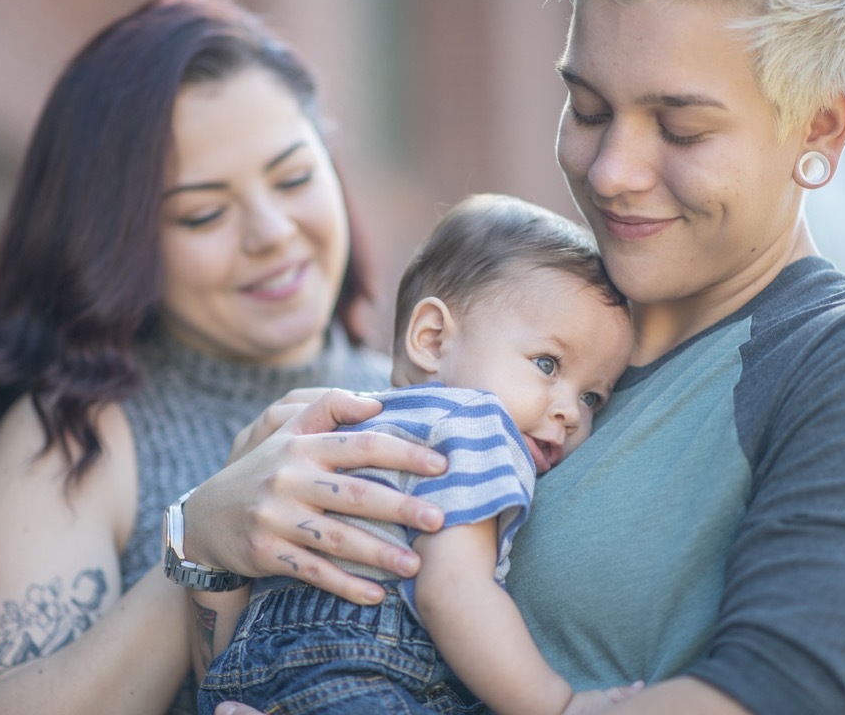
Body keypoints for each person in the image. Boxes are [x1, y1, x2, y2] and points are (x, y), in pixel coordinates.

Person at [171, 0, 845, 714]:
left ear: (820, 124)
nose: (612, 172)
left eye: (681, 128)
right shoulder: (489, 344)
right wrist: (207, 546)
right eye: (586, 108)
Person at [0, 0, 411, 715]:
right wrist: (202, 548)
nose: (271, 232)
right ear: (119, 246)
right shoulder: (77, 437)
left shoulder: (426, 397)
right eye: (203, 213)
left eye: (293, 178)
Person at [194, 194, 637, 715]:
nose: (569, 412)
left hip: (247, 671)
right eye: (547, 363)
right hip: (369, 665)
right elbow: (451, 588)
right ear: (431, 339)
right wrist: (558, 705)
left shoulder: (345, 428)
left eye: (592, 398)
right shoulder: (478, 423)